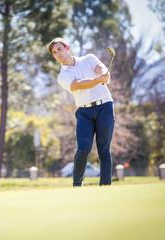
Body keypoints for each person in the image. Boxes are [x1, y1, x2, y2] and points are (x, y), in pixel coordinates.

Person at [48, 37, 115, 186]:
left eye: (59, 49)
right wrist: (99, 79)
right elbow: (79, 85)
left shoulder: (88, 58)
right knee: (83, 149)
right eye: (54, 52)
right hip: (84, 112)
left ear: (67, 48)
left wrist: (104, 74)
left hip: (105, 106)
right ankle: (77, 185)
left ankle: (105, 186)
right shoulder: (62, 76)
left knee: (104, 149)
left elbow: (101, 68)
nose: (58, 53)